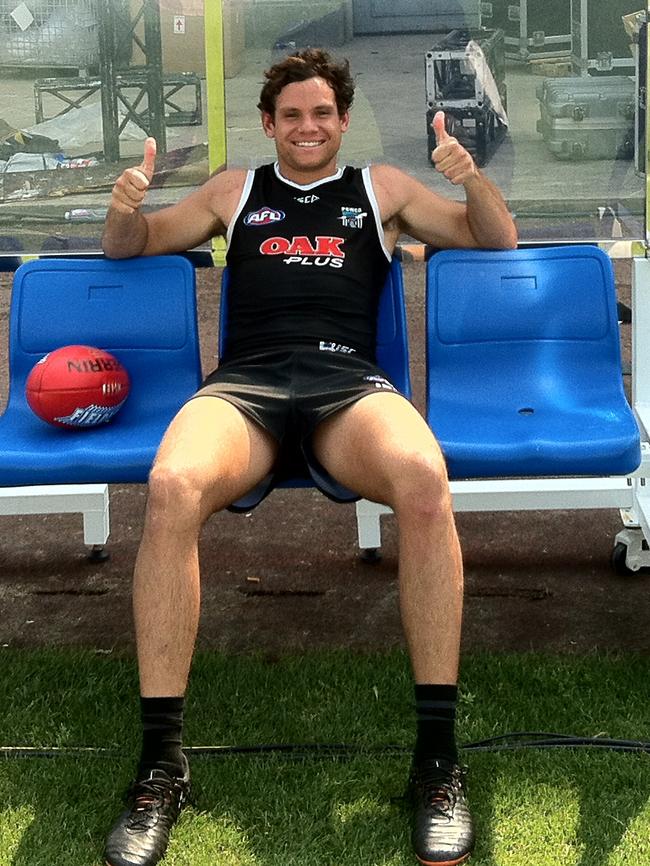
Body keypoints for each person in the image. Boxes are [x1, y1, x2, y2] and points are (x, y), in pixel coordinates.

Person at [101, 48, 517, 866]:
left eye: (321, 112)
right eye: (291, 114)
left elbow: (493, 238)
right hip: (247, 389)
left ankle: (436, 761)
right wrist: (123, 206)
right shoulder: (234, 190)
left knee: (426, 480)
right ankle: (160, 767)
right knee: (172, 483)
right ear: (269, 124)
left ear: (342, 119)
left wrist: (471, 178)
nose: (307, 126)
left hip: (346, 387)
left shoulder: (382, 189)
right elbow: (131, 246)